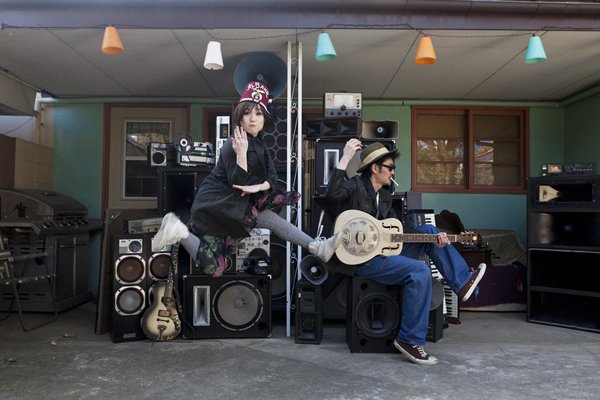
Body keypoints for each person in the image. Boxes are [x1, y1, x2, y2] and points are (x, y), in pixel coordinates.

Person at [152, 81, 340, 277]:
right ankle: (316, 247)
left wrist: (258, 187)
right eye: (247, 113)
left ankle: (178, 231)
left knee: (216, 268)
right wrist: (241, 155)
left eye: (258, 114)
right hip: (216, 205)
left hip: (235, 205)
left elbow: (272, 178)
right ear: (239, 117)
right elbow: (238, 182)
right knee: (269, 212)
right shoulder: (232, 144)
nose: (252, 119)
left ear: (264, 118)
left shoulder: (259, 145)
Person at [325, 139, 486, 366]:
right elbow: (331, 197)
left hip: (384, 252)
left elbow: (398, 233)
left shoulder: (385, 196)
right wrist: (346, 157)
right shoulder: (356, 186)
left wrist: (434, 241)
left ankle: (462, 283)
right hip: (361, 261)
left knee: (430, 231)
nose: (393, 172)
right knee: (420, 271)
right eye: (390, 167)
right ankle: (409, 340)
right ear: (375, 168)